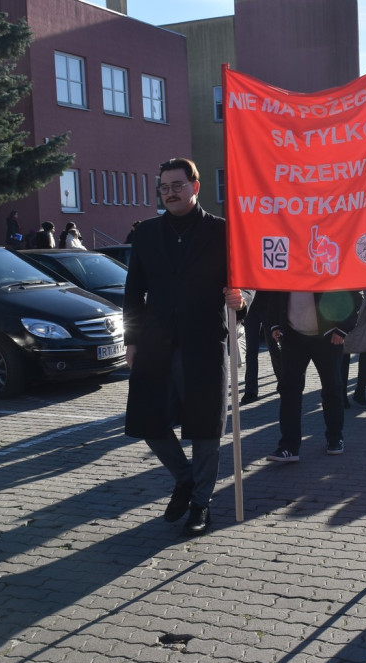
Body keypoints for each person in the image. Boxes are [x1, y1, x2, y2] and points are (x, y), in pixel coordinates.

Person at [123, 157, 249, 536]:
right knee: (148, 419)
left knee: (206, 427)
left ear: (195, 187)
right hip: (155, 343)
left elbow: (245, 282)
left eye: (177, 185)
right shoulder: (146, 233)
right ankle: (185, 478)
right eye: (163, 187)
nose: (170, 193)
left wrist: (242, 301)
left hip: (205, 341)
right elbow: (133, 292)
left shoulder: (222, 231)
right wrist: (131, 340)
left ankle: (200, 505)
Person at [264, 288, 362, 463]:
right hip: (292, 336)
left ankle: (335, 438)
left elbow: (353, 294)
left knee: (332, 389)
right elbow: (274, 292)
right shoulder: (287, 269)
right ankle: (288, 447)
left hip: (328, 337)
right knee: (289, 391)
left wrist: (343, 328)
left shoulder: (329, 268)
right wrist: (275, 324)